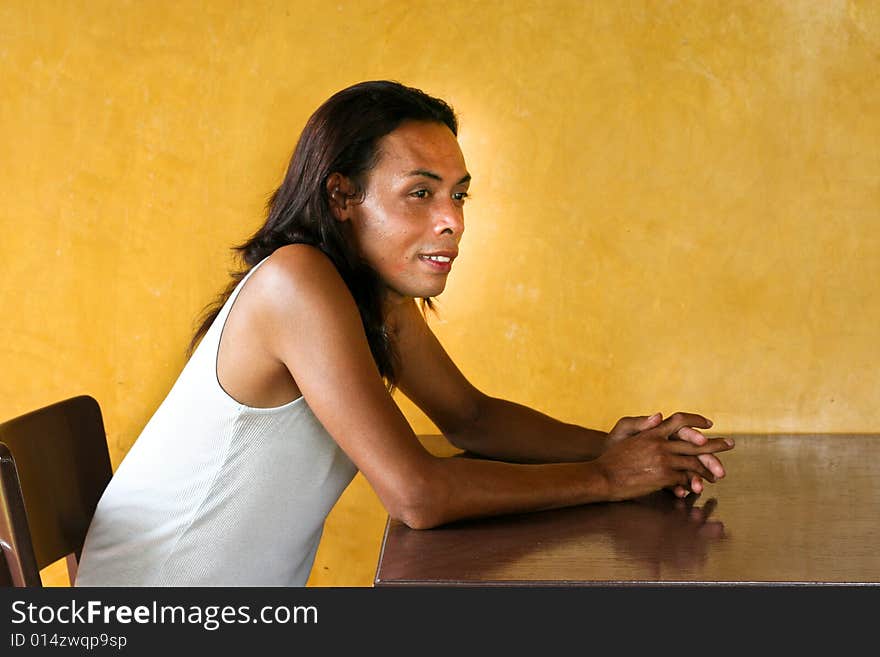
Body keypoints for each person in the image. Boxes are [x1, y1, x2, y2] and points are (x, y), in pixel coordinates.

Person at [75, 80, 734, 587]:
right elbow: (418, 494)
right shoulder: (297, 283)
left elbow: (470, 417)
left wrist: (618, 447)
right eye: (420, 192)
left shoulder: (365, 292)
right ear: (342, 197)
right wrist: (605, 477)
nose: (452, 220)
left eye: (459, 194)